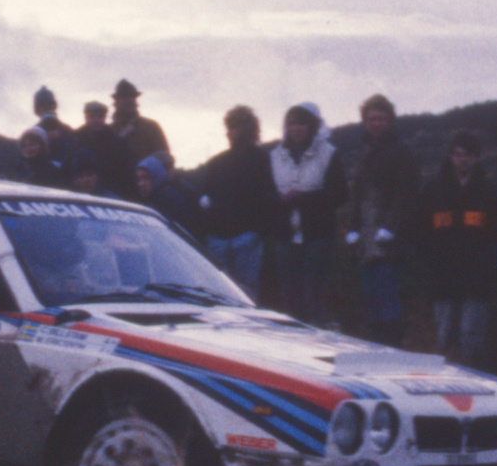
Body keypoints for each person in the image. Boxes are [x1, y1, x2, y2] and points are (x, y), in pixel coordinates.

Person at [415, 129, 497, 364]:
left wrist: (484, 267)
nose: (463, 159)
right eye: (458, 154)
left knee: (471, 342)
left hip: (476, 282)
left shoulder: (489, 193)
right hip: (443, 280)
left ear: (478, 157)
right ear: (451, 156)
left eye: (469, 155)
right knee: (444, 342)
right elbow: (421, 232)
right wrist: (433, 263)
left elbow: (496, 236)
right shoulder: (433, 191)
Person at [343, 95, 420, 346]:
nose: (375, 123)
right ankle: (377, 347)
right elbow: (358, 196)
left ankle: (392, 349)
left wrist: (390, 227)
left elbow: (405, 194)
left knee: (387, 297)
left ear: (390, 121)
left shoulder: (401, 151)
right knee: (370, 298)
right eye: (371, 119)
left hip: (390, 243)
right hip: (366, 242)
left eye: (381, 118)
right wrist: (353, 229)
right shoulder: (367, 154)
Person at [269, 102, 345, 325]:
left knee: (314, 297)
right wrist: (278, 201)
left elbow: (339, 194)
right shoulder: (274, 156)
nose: (296, 128)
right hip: (285, 237)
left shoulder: (328, 154)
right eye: (291, 123)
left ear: (311, 126)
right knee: (289, 298)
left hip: (317, 237)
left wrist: (302, 199)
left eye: (301, 123)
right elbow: (264, 193)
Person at [196, 105, 281, 294]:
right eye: (228, 127)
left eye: (234, 127)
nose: (229, 132)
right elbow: (206, 197)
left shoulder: (262, 159)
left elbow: (269, 197)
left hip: (247, 239)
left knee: (246, 292)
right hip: (218, 239)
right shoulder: (218, 162)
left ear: (248, 129)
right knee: (219, 290)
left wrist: (256, 232)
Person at [80, 101, 136, 197]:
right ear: (86, 118)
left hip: (110, 197)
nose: (96, 120)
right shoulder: (75, 141)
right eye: (92, 116)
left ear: (105, 118)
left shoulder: (118, 144)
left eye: (100, 116)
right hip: (80, 197)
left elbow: (127, 175)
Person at [135, 156, 199, 237]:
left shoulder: (168, 200)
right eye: (138, 179)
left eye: (146, 177)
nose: (141, 184)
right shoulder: (153, 199)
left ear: (156, 176)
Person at [111, 80, 169, 166]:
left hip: (145, 178)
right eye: (124, 97)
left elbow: (164, 159)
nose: (129, 100)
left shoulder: (151, 127)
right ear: (116, 102)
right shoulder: (109, 131)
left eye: (132, 97)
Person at [31, 87, 73, 162]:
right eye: (42, 105)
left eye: (49, 104)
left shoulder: (66, 130)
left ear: (54, 106)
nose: (47, 107)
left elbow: (75, 152)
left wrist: (60, 139)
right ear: (37, 109)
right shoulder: (33, 133)